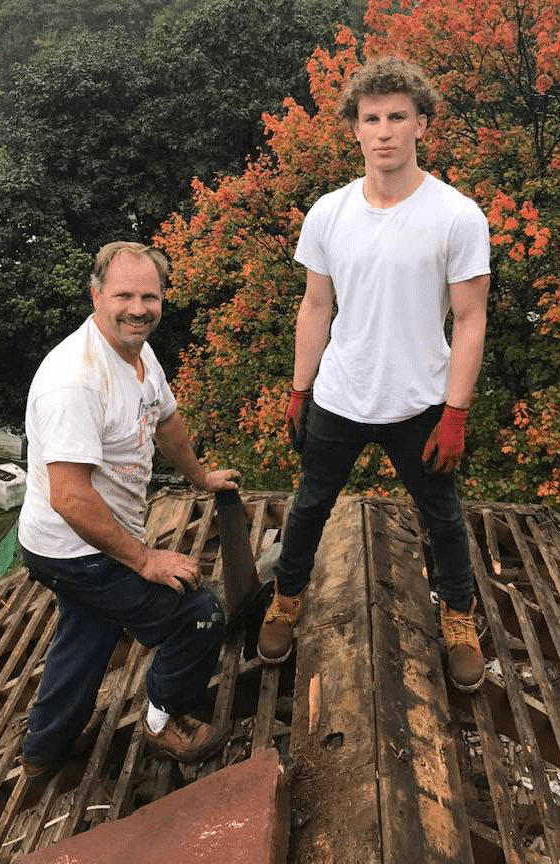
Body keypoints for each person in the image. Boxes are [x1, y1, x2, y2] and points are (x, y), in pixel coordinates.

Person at [257, 57, 490, 692]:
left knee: (442, 517)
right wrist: (300, 388)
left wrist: (456, 411)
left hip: (419, 402)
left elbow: (470, 319)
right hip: (340, 393)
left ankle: (460, 617)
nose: (383, 131)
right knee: (308, 508)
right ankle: (286, 600)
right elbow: (315, 305)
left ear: (421, 124)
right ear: (355, 130)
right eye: (371, 119)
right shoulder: (329, 214)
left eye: (396, 117)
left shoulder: (457, 216)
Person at [18, 241, 240, 775]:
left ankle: (43, 752)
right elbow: (68, 497)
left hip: (78, 540)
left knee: (88, 635)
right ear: (96, 295)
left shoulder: (135, 351)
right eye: (123, 295)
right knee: (199, 614)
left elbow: (165, 421)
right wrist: (144, 560)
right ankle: (165, 721)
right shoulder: (75, 379)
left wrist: (201, 477)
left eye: (150, 296)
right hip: (73, 547)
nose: (137, 308)